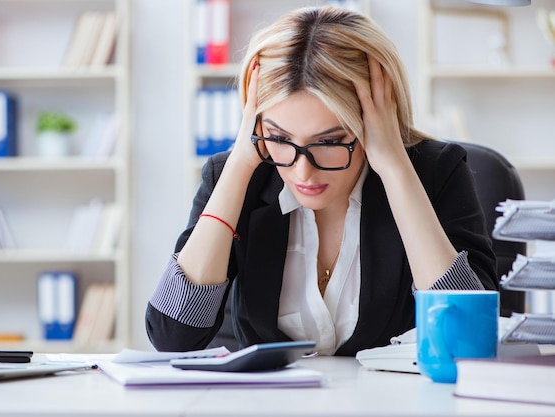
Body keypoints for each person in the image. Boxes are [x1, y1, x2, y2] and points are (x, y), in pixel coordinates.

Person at [146, 6, 497, 356]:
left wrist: (394, 168)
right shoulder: (238, 177)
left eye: (329, 142)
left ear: (373, 122)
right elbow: (173, 337)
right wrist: (239, 163)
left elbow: (468, 340)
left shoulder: (437, 173)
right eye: (280, 138)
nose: (302, 172)